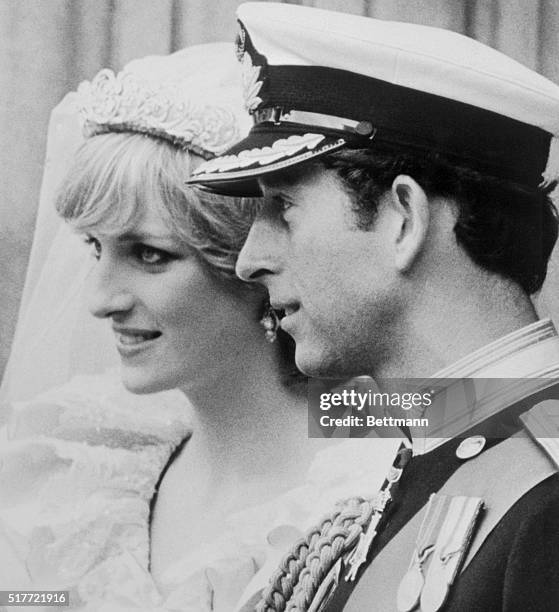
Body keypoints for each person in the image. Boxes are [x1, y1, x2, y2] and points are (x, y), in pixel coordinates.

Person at [0, 43, 399, 611]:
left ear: (255, 263)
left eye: (150, 254)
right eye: (96, 248)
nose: (99, 300)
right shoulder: (93, 462)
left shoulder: (377, 458)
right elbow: (30, 600)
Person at [191, 4, 559, 611]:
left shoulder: (545, 500)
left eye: (283, 207)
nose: (247, 261)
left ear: (404, 220)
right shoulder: (437, 446)